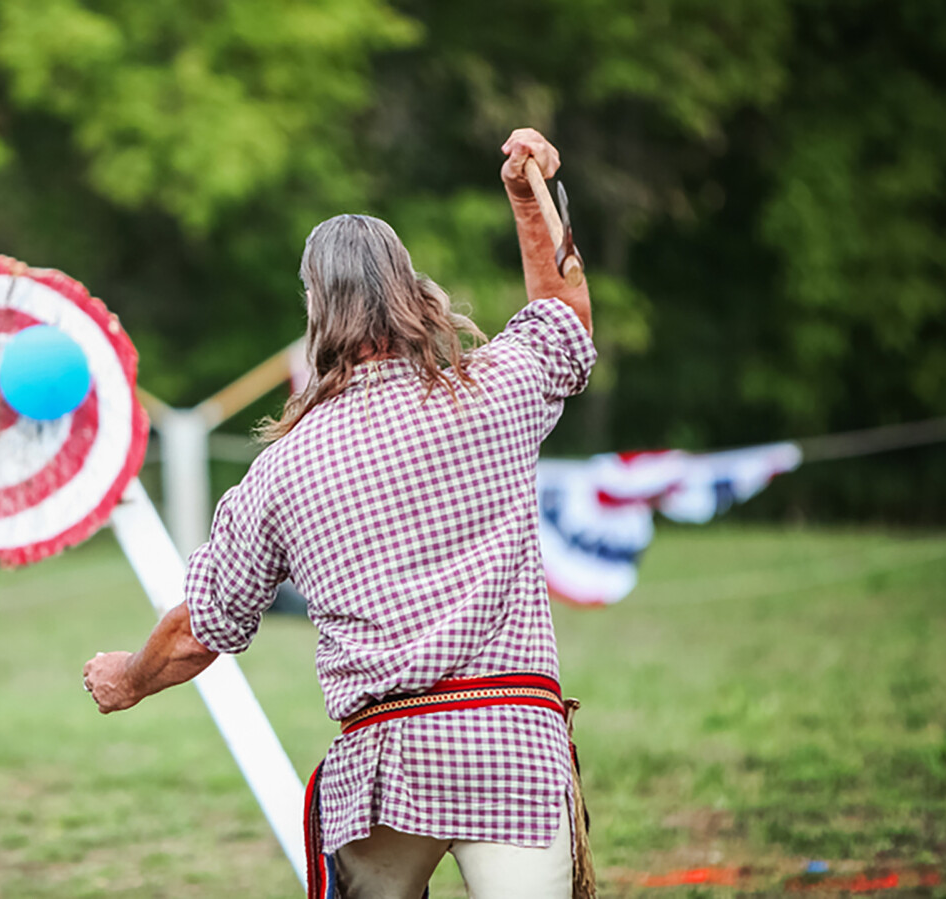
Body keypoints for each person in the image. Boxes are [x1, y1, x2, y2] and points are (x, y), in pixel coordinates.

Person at [83, 128, 595, 899]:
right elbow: (565, 317)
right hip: (515, 750)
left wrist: (128, 676)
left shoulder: (281, 468)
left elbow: (200, 630)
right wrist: (528, 201)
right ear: (411, 286)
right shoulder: (496, 390)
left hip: (384, 769)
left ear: (315, 308)